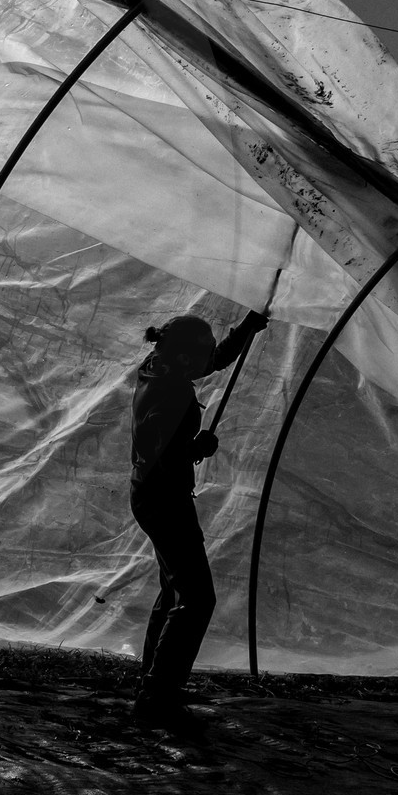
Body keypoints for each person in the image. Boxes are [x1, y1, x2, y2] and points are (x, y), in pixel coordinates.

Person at [129, 307, 267, 727]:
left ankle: (151, 682)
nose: (204, 365)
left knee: (174, 591)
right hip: (164, 497)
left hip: (147, 493)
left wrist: (247, 328)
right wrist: (197, 448)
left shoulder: (155, 366)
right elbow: (166, 456)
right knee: (196, 598)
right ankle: (158, 695)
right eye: (199, 356)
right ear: (185, 356)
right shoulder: (173, 391)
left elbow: (214, 360)